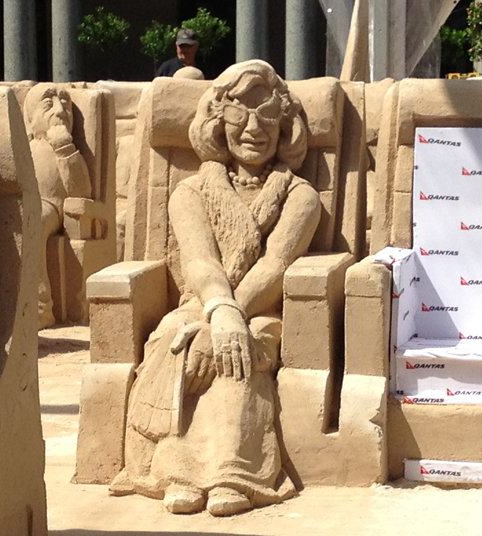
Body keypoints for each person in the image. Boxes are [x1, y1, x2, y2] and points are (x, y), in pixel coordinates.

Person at [110, 60, 321, 517]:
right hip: (202, 303)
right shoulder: (190, 192)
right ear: (217, 120)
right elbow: (200, 261)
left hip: (262, 307)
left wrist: (232, 319)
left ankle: (233, 474)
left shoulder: (300, 195)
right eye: (238, 115)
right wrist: (218, 312)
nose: (253, 129)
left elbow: (276, 264)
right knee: (176, 345)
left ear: (284, 125)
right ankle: (177, 470)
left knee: (236, 357)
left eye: (266, 116)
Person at [23, 84, 92, 328]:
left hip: (50, 208)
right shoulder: (26, 149)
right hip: (22, 204)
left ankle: (41, 306)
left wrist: (65, 149)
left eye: (66, 104)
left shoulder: (66, 150)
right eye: (48, 104)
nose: (60, 110)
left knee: (31, 221)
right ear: (30, 120)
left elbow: (81, 190)